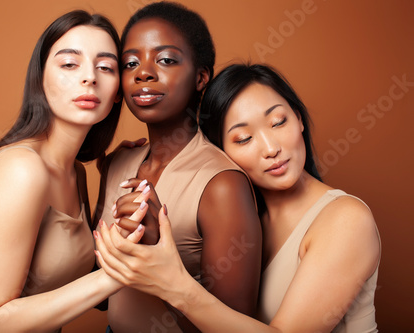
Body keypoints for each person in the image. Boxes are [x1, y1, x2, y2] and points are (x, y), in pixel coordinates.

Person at [94, 63, 381, 333]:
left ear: (298, 118)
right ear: (218, 153)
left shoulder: (345, 219)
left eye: (279, 122)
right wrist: (123, 167)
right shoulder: (238, 217)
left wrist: (175, 284)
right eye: (244, 139)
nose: (271, 148)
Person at [0, 10, 146, 333]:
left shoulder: (74, 172)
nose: (89, 77)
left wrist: (114, 176)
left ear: (116, 94)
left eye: (105, 67)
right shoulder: (21, 170)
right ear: (40, 80)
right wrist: (119, 273)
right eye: (70, 64)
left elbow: (79, 282)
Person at [93, 2, 261, 332]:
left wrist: (155, 249)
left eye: (166, 59)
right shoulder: (118, 164)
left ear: (201, 77)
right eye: (130, 62)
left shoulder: (222, 184)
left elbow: (235, 326)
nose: (143, 72)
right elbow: (101, 297)